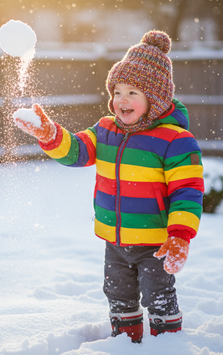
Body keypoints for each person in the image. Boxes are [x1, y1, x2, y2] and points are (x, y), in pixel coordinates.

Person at [13, 30, 204, 343]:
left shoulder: (176, 141)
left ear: (154, 100)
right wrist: (50, 135)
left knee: (159, 297)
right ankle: (125, 342)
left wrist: (180, 237)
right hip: (113, 241)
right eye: (117, 92)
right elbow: (77, 151)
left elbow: (188, 192)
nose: (121, 100)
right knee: (118, 295)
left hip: (155, 243)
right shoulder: (105, 130)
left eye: (132, 93)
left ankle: (168, 345)